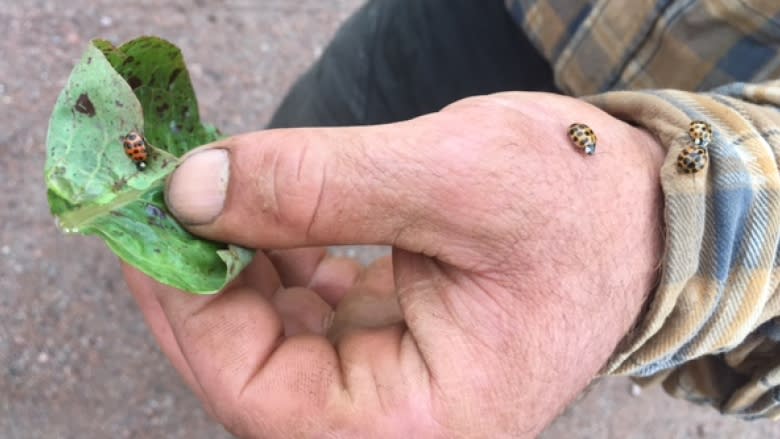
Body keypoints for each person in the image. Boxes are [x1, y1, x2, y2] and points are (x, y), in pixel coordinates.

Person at [122, 0, 780, 436]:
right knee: (319, 125)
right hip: (490, 14)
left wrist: (675, 227)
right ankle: (235, 227)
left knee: (296, 184)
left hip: (711, 113)